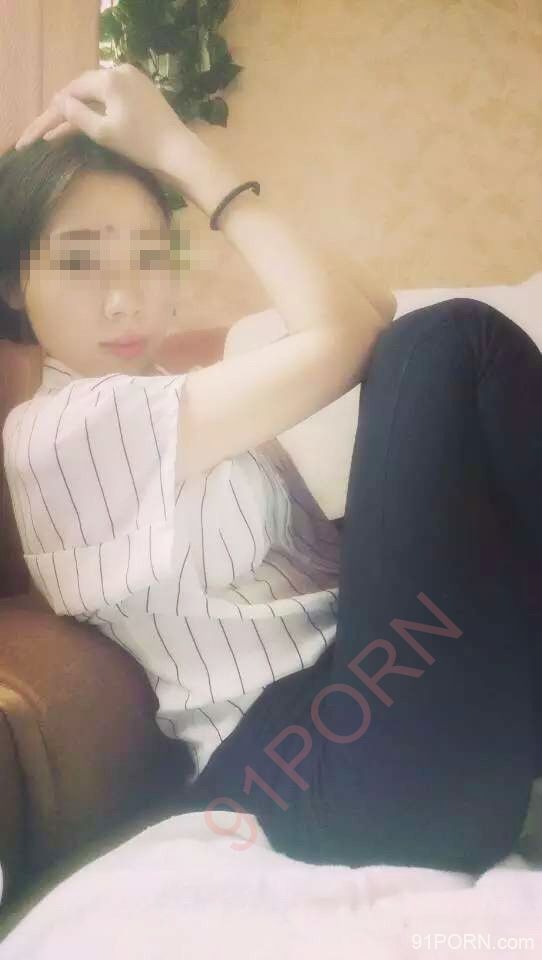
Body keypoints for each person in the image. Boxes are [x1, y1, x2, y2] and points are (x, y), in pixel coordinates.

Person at [1, 66, 541, 876]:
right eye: (80, 263)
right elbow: (354, 335)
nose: (124, 298)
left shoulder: (172, 394)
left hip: (379, 700)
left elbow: (367, 310)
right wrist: (177, 149)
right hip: (326, 760)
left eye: (149, 257)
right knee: (454, 343)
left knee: (438, 361)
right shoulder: (60, 430)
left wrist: (187, 160)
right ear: (14, 281)